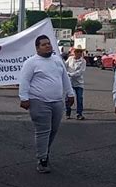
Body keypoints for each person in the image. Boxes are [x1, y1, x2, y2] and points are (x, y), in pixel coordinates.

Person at [19, 35, 75, 174]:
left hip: (57, 102)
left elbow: (64, 78)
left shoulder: (57, 60)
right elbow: (24, 82)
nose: (48, 46)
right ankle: (42, 160)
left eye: (49, 44)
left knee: (53, 130)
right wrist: (24, 98)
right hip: (39, 101)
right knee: (43, 131)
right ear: (37, 48)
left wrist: (70, 93)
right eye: (44, 45)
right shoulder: (31, 63)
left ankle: (44, 152)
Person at [65, 46, 87, 120]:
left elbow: (80, 72)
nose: (79, 53)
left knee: (79, 98)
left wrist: (70, 74)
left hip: (79, 83)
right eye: (77, 51)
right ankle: (68, 112)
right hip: (69, 82)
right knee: (68, 98)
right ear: (74, 52)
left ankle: (79, 114)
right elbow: (65, 66)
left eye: (80, 52)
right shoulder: (70, 59)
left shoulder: (83, 61)